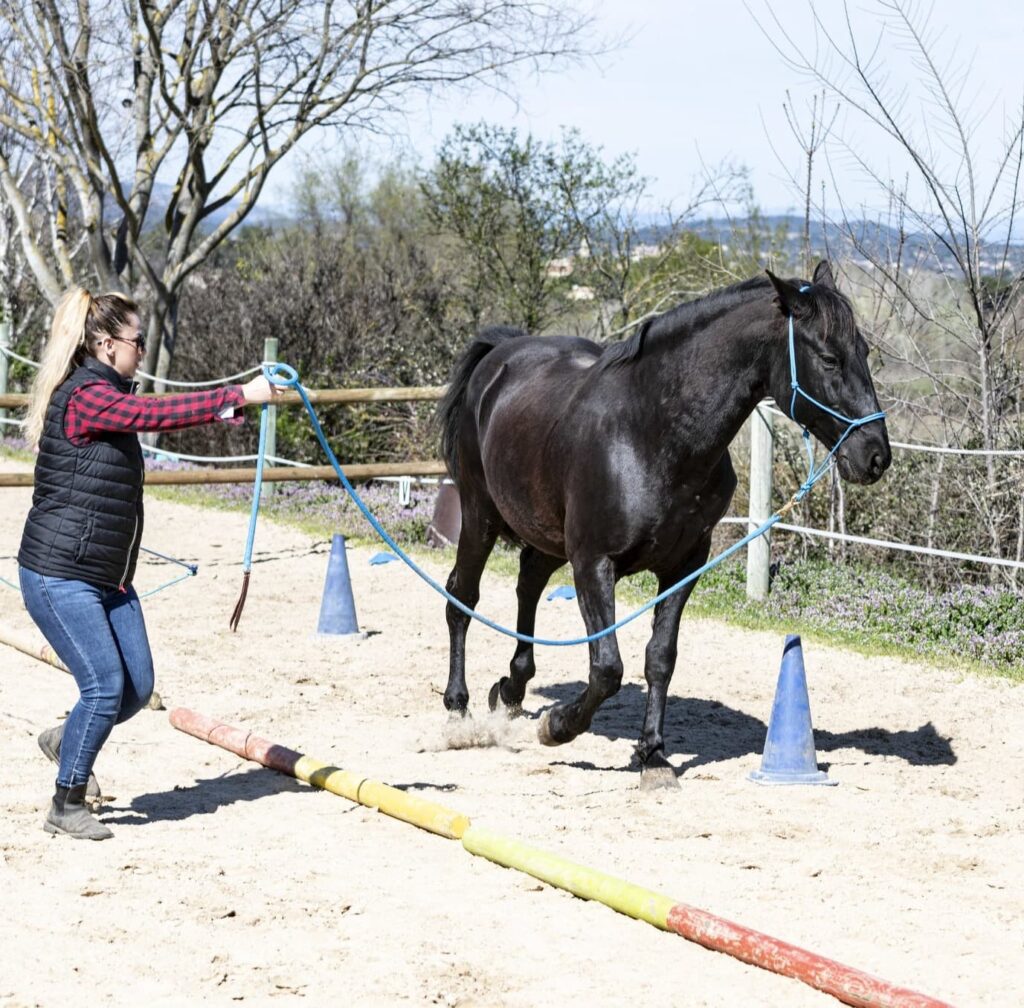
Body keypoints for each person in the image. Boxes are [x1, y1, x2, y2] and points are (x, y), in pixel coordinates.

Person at [18, 286, 281, 840]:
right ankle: (66, 802)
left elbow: (143, 413)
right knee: (103, 686)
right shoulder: (86, 395)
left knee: (136, 689)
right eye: (138, 341)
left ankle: (66, 739)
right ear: (107, 345)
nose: (143, 349)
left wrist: (233, 405)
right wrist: (239, 394)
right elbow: (152, 412)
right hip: (60, 573)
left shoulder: (106, 392)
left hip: (107, 575)